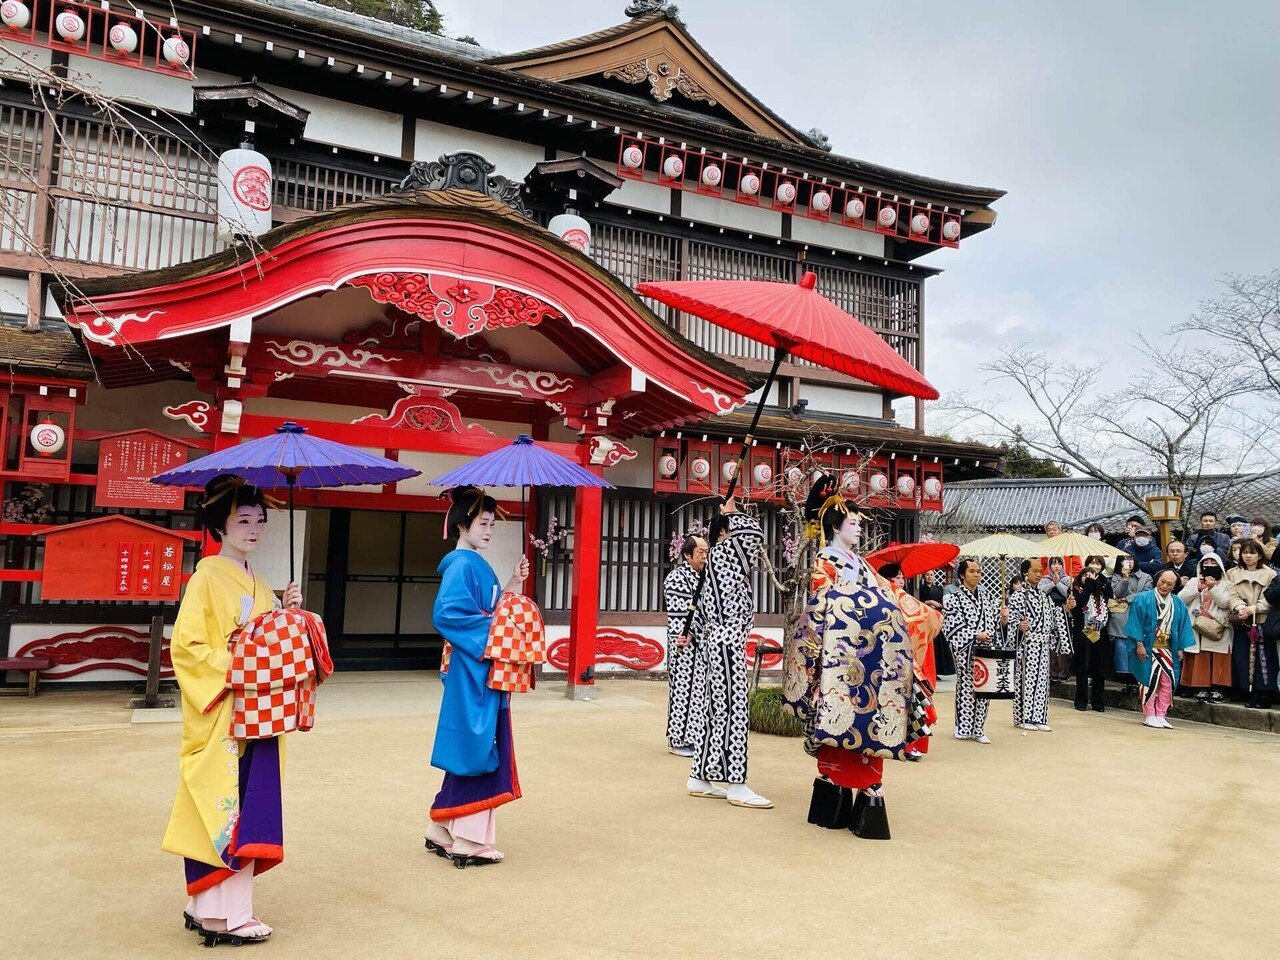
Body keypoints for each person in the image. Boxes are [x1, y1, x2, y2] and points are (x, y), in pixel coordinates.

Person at [163, 475, 302, 947]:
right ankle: (225, 915)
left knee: (247, 803)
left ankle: (206, 905)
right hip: (226, 711)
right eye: (243, 519)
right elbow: (187, 647)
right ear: (219, 525)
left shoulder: (259, 583)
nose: (254, 528)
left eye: (260, 520)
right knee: (224, 806)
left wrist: (286, 612)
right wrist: (241, 663)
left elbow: (268, 639)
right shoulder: (206, 576)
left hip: (257, 711)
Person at [782, 478, 913, 834]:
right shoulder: (825, 563)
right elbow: (824, 605)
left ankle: (862, 788)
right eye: (853, 523)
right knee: (840, 716)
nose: (859, 529)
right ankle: (837, 784)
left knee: (870, 717)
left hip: (869, 653)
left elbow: (883, 597)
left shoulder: (862, 564)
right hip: (839, 655)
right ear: (836, 527)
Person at [426, 486, 530, 866]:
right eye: (482, 523)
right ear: (462, 523)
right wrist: (493, 637)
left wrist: (512, 583)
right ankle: (469, 838)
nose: (489, 530)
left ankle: (441, 825)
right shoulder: (463, 563)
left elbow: (488, 609)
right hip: (476, 666)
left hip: (479, 662)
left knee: (477, 740)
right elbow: (448, 614)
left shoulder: (471, 562)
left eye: (491, 524)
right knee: (478, 741)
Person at [688, 497, 772, 808]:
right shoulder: (725, 553)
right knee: (734, 710)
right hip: (726, 641)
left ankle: (699, 775)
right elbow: (755, 535)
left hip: (718, 641)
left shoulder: (715, 559)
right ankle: (736, 783)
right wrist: (733, 513)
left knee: (716, 708)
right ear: (725, 533)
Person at [880, 562, 941, 761]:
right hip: (890, 656)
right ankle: (896, 742)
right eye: (897, 577)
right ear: (888, 579)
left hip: (908, 657)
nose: (901, 580)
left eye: (901, 576)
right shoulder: (883, 598)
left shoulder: (905, 600)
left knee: (912, 702)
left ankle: (908, 742)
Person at [1122, 567, 1195, 729]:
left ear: (1174, 586)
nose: (1164, 586)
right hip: (1148, 647)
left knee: (1167, 681)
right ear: (1157, 580)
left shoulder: (1178, 603)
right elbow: (1136, 623)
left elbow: (1183, 627)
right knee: (1149, 681)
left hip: (1168, 648)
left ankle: (1161, 714)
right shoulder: (1143, 599)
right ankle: (1149, 714)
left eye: (1169, 584)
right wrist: (1139, 644)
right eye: (1162, 582)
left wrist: (1180, 648)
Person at [943, 558, 1005, 743]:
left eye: (978, 571)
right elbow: (951, 626)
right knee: (966, 688)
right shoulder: (953, 598)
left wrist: (1002, 620)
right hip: (966, 649)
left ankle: (978, 728)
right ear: (962, 575)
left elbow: (996, 624)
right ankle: (963, 727)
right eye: (972, 571)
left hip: (986, 649)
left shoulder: (988, 599)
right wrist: (975, 635)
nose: (976, 574)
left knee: (984, 688)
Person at [1007, 559, 1073, 731]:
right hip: (1026, 644)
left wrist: (1066, 608)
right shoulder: (1018, 595)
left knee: (1042, 681)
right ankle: (1023, 717)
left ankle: (1039, 716)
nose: (1038, 574)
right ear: (1025, 573)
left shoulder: (1044, 596)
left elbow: (1054, 616)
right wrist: (1018, 626)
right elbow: (1012, 619)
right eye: (1034, 571)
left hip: (1043, 645)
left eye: (1040, 571)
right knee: (1026, 680)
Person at [664, 535, 709, 757]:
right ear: (687, 555)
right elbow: (679, 612)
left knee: (699, 691)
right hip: (683, 640)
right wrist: (687, 631)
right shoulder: (677, 578)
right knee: (683, 690)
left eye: (706, 551)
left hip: (701, 641)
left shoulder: (706, 577)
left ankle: (694, 737)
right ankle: (678, 739)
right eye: (700, 552)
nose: (704, 556)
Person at [1225, 539, 1277, 708]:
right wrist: (1240, 607)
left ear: (1260, 555)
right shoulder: (1233, 573)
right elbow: (1231, 594)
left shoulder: (1269, 573)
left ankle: (1264, 693)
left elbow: (1270, 597)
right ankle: (1247, 691)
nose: (1248, 556)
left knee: (1264, 659)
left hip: (1261, 619)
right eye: (1245, 552)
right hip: (1243, 621)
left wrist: (1254, 608)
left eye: (1252, 552)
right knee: (1243, 657)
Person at [1177, 555, 1232, 702]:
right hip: (1197, 625)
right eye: (1205, 563)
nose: (1209, 565)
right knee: (1200, 656)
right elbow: (1180, 599)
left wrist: (1213, 587)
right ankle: (1200, 687)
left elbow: (1225, 603)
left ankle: (1218, 688)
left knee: (1218, 657)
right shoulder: (1194, 581)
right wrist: (1197, 588)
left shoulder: (1227, 584)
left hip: (1217, 625)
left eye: (1213, 562)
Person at [1071, 555, 1114, 711]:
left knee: (1099, 668)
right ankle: (1081, 700)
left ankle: (1098, 701)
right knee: (1083, 667)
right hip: (1084, 632)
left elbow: (1111, 600)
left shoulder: (1102, 590)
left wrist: (1097, 581)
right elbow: (1080, 604)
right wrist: (1089, 584)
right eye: (1085, 574)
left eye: (1091, 575)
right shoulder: (1076, 591)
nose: (1088, 577)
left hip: (1100, 631)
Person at [1109, 555, 1152, 692]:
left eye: (1131, 559)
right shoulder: (1116, 576)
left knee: (1139, 647)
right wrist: (1125, 579)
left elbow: (1147, 594)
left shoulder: (1146, 577)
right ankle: (1126, 679)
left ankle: (1139, 679)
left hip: (1140, 614)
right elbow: (1117, 593)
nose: (1129, 562)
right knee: (1122, 647)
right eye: (1125, 560)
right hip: (1122, 616)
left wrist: (1128, 598)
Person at [1039, 556, 1073, 680]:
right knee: (1050, 642)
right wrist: (1052, 583)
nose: (1056, 566)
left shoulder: (1068, 579)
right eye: (1053, 564)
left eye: (1059, 564)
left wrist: (1058, 583)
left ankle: (1064, 672)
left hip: (1064, 612)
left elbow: (1069, 593)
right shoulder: (1044, 579)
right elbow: (1040, 591)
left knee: (1064, 641)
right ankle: (1052, 672)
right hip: (1048, 612)